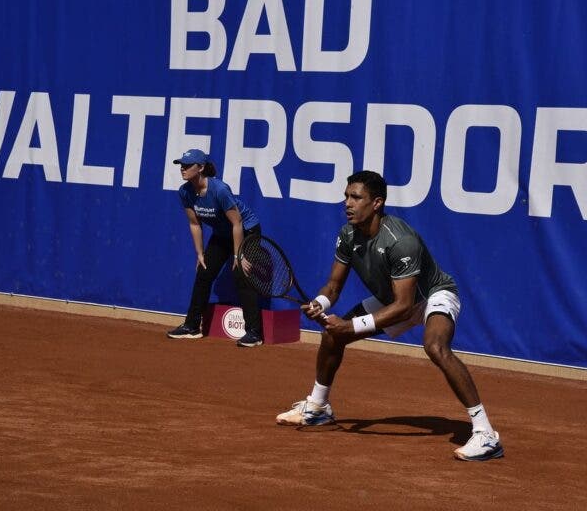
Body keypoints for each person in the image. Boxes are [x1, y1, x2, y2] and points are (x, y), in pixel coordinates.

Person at [276, 170, 504, 461]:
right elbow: (333, 286)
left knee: (435, 347)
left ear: (377, 203)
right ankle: (318, 407)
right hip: (393, 299)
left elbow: (405, 306)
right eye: (346, 196)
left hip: (432, 294)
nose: (347, 203)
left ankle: (486, 433)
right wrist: (321, 303)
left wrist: (352, 325)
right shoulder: (347, 235)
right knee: (331, 335)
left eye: (356, 197)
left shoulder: (400, 240)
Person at [166, 148, 264, 348]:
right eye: (181, 165)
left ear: (200, 167)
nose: (182, 169)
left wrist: (237, 256)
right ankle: (192, 326)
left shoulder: (219, 190)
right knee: (204, 272)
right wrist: (200, 253)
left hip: (247, 230)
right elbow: (195, 224)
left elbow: (237, 223)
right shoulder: (184, 192)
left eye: (187, 165)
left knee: (241, 274)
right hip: (222, 234)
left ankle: (254, 332)